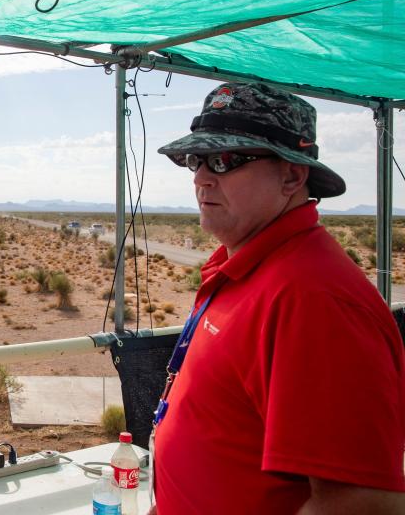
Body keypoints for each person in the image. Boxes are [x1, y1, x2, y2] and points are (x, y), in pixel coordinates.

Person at [149, 82, 405, 514]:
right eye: (195, 160)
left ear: (292, 176)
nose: (200, 177)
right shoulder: (248, 267)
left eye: (225, 160)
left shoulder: (314, 300)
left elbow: (361, 503)